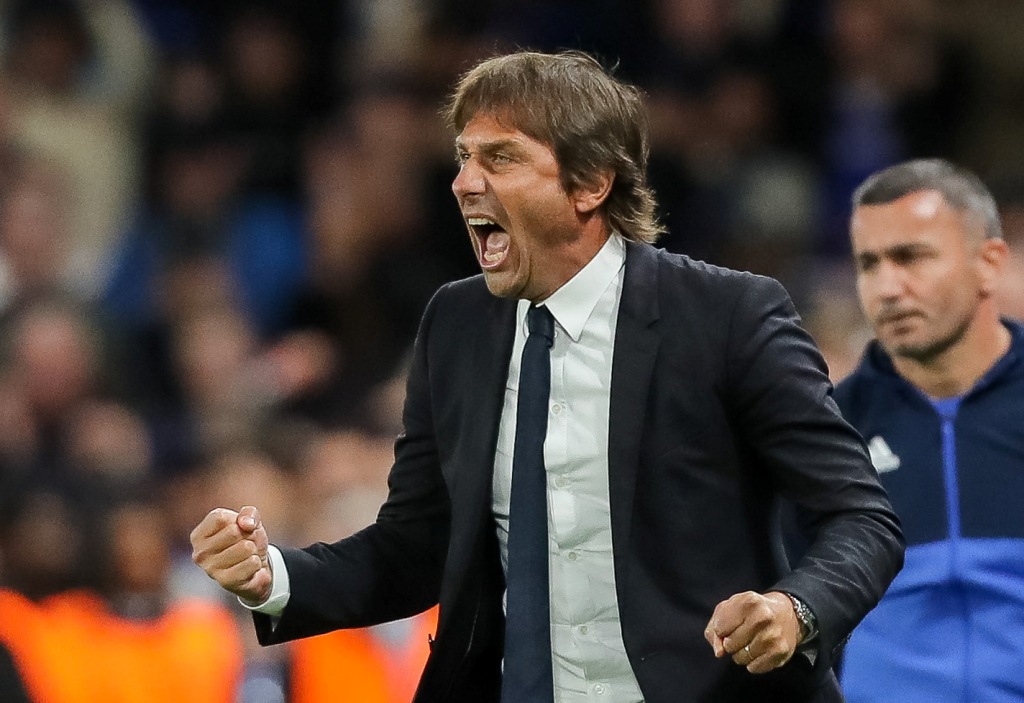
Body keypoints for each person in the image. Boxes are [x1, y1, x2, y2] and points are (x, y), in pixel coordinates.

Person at [191, 50, 904, 703]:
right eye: (463, 157)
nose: (464, 182)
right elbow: (417, 545)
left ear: (590, 183)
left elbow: (861, 518)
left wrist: (796, 609)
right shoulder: (455, 325)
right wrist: (274, 575)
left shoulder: (729, 316)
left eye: (500, 158)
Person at [835, 159, 1024, 702]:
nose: (887, 287)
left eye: (911, 257)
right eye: (868, 264)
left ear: (989, 263)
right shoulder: (830, 432)